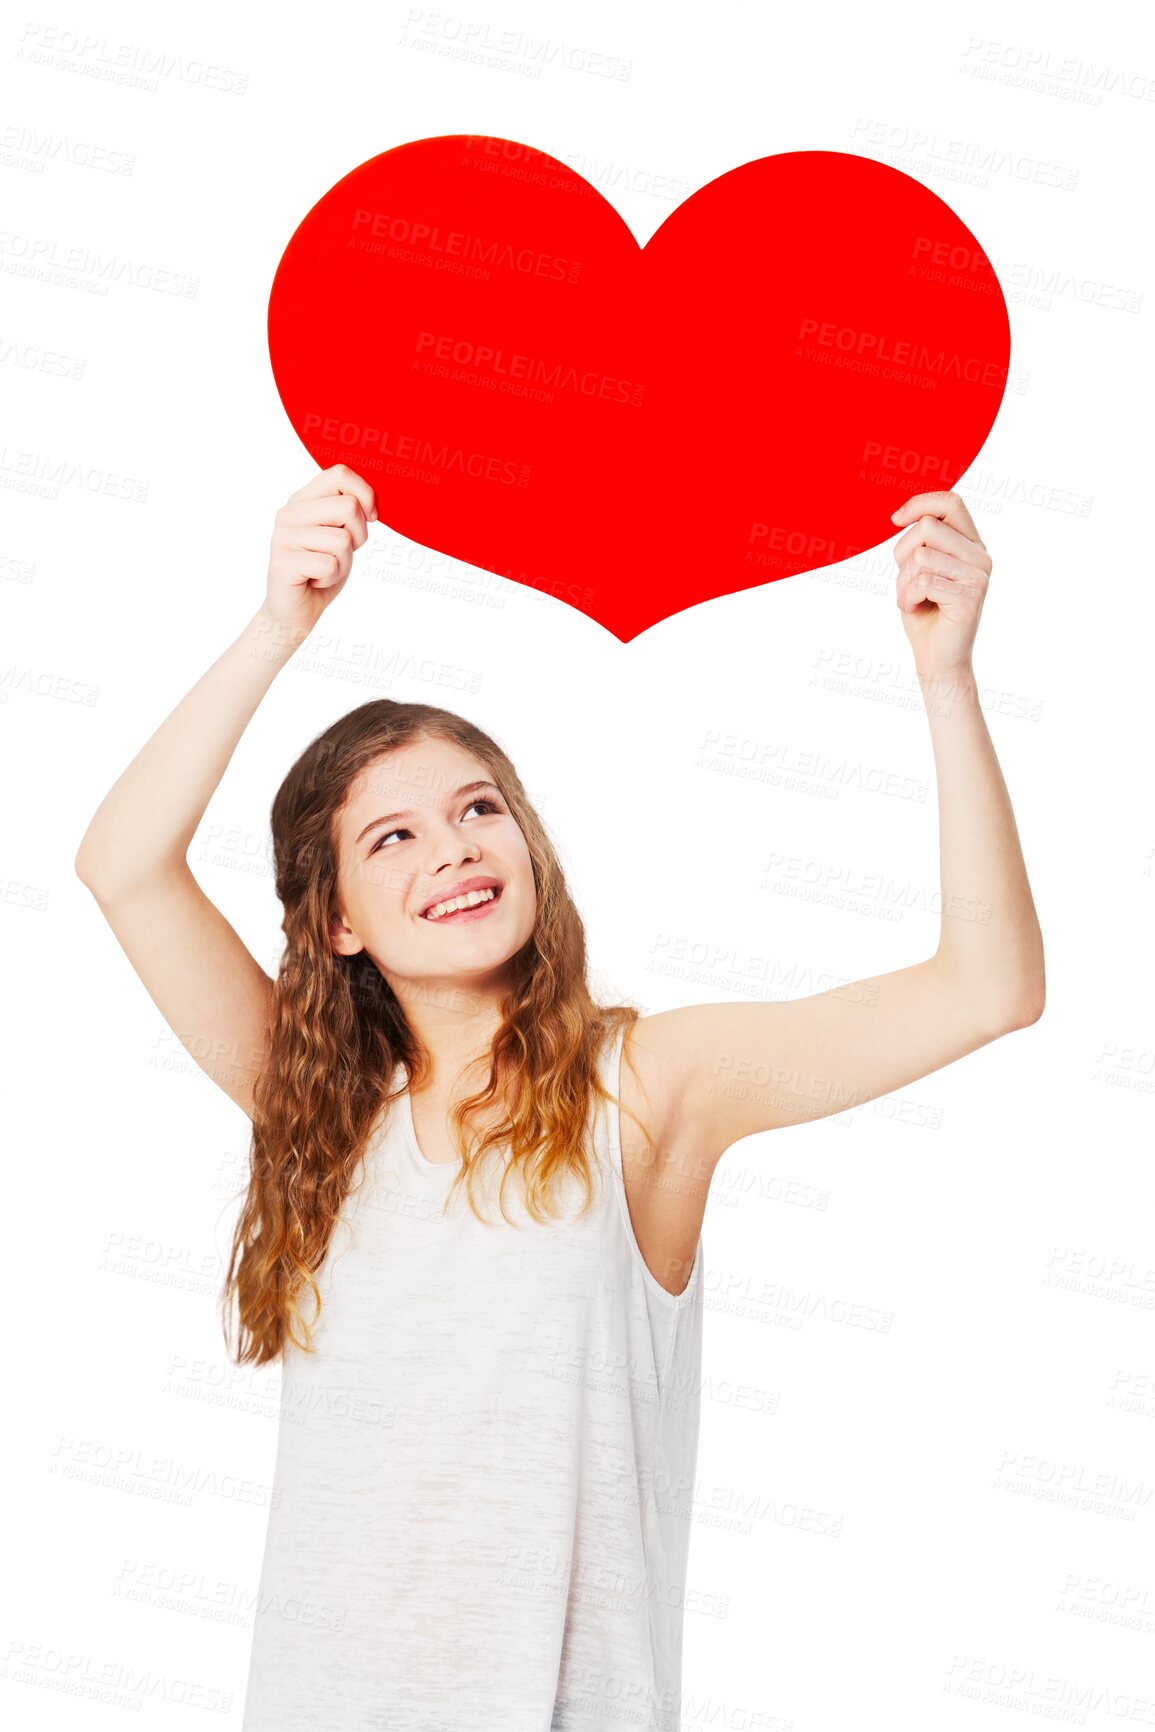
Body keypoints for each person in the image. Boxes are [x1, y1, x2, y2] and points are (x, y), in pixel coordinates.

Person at [74, 463, 1045, 1730]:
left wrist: (946, 680)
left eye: (480, 808)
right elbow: (122, 863)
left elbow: (988, 987)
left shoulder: (645, 1090)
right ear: (336, 922)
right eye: (393, 839)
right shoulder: (322, 1118)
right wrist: (279, 625)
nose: (456, 848)